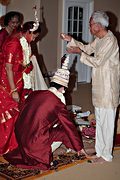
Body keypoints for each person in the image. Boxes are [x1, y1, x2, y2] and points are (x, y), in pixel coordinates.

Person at [4, 55, 88, 170]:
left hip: (20, 138)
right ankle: (71, 149)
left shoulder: (35, 93)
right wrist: (79, 147)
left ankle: (57, 146)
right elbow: (70, 127)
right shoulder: (58, 104)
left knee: (47, 127)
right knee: (64, 131)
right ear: (63, 89)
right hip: (34, 144)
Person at [60, 11, 120, 163]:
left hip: (108, 87)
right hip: (100, 86)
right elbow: (87, 49)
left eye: (91, 24)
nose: (89, 27)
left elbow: (98, 61)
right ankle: (100, 151)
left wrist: (79, 51)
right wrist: (71, 40)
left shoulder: (110, 40)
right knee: (100, 120)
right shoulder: (99, 39)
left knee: (107, 122)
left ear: (99, 26)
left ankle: (106, 155)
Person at [0, 20, 44, 155]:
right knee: (9, 114)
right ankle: (3, 146)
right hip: (7, 84)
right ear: (29, 32)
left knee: (17, 114)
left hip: (17, 81)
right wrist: (13, 90)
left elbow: (20, 62)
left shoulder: (23, 41)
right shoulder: (14, 43)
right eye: (34, 36)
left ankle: (12, 144)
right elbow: (8, 68)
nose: (35, 39)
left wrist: (27, 66)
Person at [0, 11, 23, 76]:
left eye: (17, 22)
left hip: (11, 62)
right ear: (7, 22)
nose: (15, 25)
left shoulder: (15, 32)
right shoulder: (2, 34)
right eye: (13, 22)